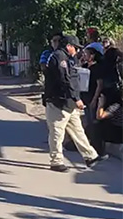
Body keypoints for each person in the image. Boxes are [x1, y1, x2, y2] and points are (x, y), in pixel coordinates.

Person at [43, 35, 103, 172]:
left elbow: (74, 77)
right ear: (68, 46)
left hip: (68, 102)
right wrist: (77, 98)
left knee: (78, 131)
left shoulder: (68, 58)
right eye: (75, 48)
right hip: (59, 101)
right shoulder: (59, 57)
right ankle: (56, 162)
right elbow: (65, 80)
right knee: (57, 133)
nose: (76, 51)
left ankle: (90, 156)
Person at [88, 85, 123, 156]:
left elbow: (100, 116)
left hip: (117, 134)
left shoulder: (116, 106)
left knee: (95, 126)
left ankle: (97, 150)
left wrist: (101, 104)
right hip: (119, 131)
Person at [82, 47, 105, 125]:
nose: (84, 55)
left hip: (93, 95)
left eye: (85, 54)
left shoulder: (97, 68)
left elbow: (100, 84)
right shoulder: (84, 66)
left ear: (92, 56)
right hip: (85, 95)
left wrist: (95, 99)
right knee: (87, 118)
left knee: (93, 119)